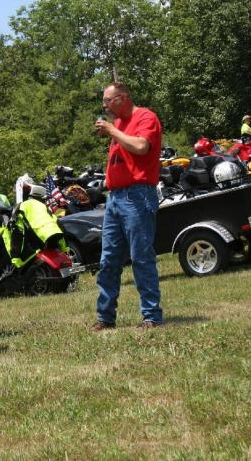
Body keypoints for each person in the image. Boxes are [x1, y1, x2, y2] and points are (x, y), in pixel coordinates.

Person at [92, 82, 163, 330]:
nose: (105, 106)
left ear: (123, 98)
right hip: (115, 198)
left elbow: (142, 147)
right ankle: (105, 317)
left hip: (137, 196)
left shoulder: (145, 117)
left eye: (108, 100)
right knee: (108, 259)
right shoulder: (119, 125)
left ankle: (152, 316)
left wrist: (113, 131)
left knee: (141, 257)